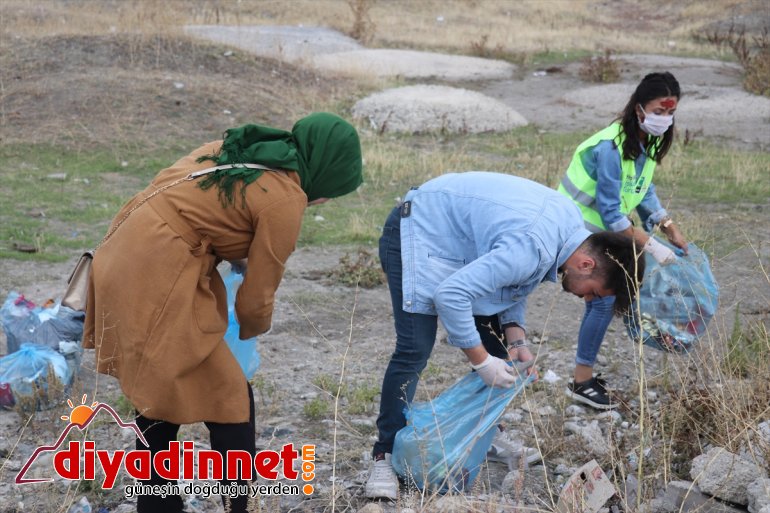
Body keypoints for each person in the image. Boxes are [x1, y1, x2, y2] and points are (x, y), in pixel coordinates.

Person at [82, 113, 363, 513]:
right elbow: (256, 298)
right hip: (159, 272)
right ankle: (235, 506)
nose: (325, 200)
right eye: (333, 190)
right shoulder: (286, 198)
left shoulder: (239, 151)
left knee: (160, 386)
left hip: (121, 253)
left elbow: (201, 208)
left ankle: (157, 504)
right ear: (326, 169)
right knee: (231, 397)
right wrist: (250, 332)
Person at [364, 172, 645, 499]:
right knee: (415, 348)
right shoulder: (532, 246)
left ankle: (483, 434)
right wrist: (481, 362)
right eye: (594, 292)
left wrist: (516, 338)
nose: (587, 299)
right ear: (586, 264)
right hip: (416, 230)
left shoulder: (569, 231)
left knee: (499, 349)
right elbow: (451, 296)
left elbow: (514, 278)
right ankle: (384, 456)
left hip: (458, 241)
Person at [558, 71, 689, 410]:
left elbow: (642, 187)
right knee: (603, 298)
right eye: (658, 111)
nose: (665, 118)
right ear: (638, 108)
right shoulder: (610, 147)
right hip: (574, 230)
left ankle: (584, 377)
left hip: (603, 231)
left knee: (609, 297)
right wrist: (653, 246)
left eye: (670, 112)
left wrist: (667, 225)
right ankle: (582, 381)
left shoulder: (645, 141)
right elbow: (611, 211)